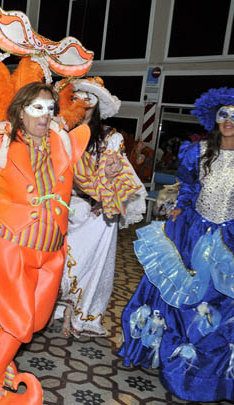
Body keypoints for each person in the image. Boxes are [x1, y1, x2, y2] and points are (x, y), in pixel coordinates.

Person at [0, 81, 126, 403]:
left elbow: (93, 184)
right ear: (20, 113)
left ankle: (3, 358)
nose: (44, 115)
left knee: (35, 320)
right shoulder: (2, 146)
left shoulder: (64, 145)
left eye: (50, 108)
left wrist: (109, 173)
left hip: (51, 253)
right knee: (17, 319)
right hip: (9, 247)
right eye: (36, 108)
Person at [119, 88, 234, 402]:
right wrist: (180, 208)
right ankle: (167, 355)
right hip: (191, 234)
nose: (229, 120)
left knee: (216, 304)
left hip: (228, 241)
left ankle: (205, 374)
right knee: (176, 295)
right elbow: (188, 189)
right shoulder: (198, 151)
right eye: (224, 114)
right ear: (215, 118)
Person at [53, 77, 146, 337]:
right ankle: (56, 307)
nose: (83, 102)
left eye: (89, 98)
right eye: (77, 96)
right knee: (57, 261)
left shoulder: (110, 137)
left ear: (97, 106)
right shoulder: (58, 133)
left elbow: (116, 175)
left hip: (96, 215)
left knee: (90, 266)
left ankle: (80, 315)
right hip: (61, 210)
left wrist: (107, 186)